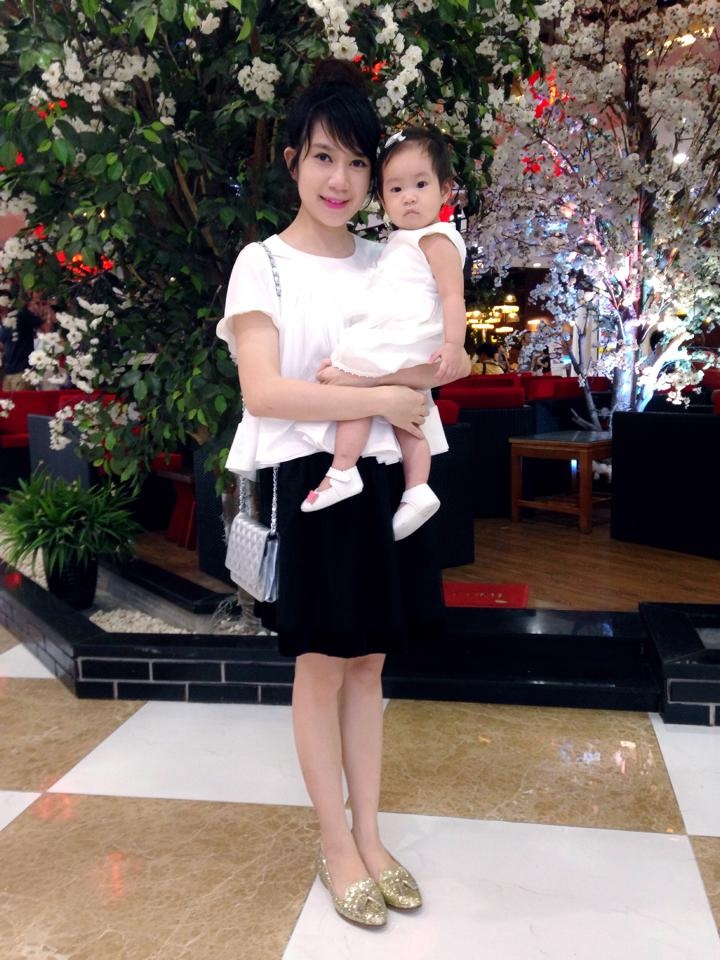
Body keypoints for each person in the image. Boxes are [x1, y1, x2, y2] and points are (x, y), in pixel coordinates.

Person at [216, 60, 470, 928]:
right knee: (322, 665)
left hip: (388, 476)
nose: (342, 180)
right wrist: (385, 398)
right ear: (293, 160)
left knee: (370, 665)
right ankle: (336, 844)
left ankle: (370, 834)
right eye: (324, 157)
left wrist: (408, 391)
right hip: (314, 479)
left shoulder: (392, 252)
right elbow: (264, 393)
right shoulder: (264, 264)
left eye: (359, 162)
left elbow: (436, 358)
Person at [297, 126, 467, 541]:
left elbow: (452, 296)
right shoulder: (401, 240)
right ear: (383, 198)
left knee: (356, 387)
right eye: (396, 188)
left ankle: (343, 469)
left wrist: (453, 344)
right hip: (396, 334)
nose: (409, 197)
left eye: (421, 185)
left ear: (445, 190)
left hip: (410, 333)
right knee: (407, 411)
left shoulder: (437, 239)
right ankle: (417, 488)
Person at [0, 289, 50, 391]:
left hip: (23, 372)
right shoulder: (3, 322)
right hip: (8, 372)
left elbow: (45, 328)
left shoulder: (22, 314)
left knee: (22, 400)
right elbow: (3, 345)